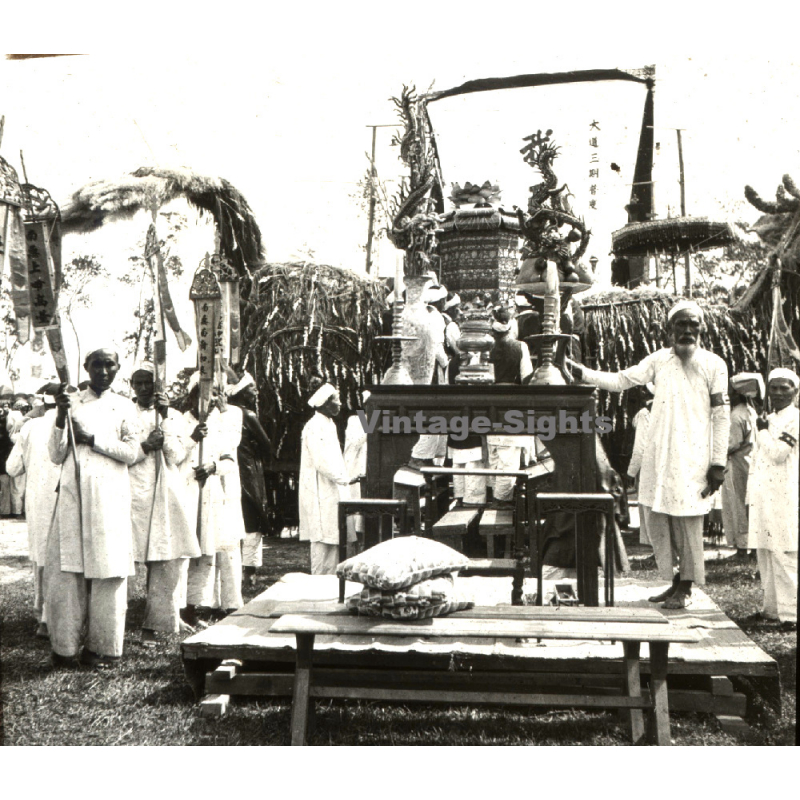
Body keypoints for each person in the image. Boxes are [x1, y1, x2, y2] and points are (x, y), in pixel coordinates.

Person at [568, 300, 730, 609]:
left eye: (693, 325)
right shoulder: (657, 361)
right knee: (661, 520)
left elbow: (721, 416)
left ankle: (686, 587)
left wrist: (718, 463)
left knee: (688, 521)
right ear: (669, 330)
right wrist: (582, 372)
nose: (687, 330)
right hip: (660, 454)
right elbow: (621, 380)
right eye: (680, 325)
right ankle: (673, 583)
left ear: (701, 328)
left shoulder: (714, 364)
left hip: (694, 456)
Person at [45, 349, 139, 668]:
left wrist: (91, 438)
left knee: (109, 571)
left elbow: (132, 452)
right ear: (85, 368)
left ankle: (104, 649)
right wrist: (61, 417)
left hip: (109, 493)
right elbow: (56, 455)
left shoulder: (126, 406)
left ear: (118, 369)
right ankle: (65, 648)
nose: (102, 370)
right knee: (65, 571)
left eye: (108, 364)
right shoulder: (72, 402)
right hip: (73, 490)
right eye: (96, 364)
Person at [129, 363, 199, 640]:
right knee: (129, 556)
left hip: (165, 490)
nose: (145, 389)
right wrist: (146, 444)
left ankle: (158, 621)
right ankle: (117, 619)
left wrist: (165, 418)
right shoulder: (124, 411)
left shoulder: (174, 416)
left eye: (150, 383)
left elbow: (177, 455)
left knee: (166, 554)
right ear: (132, 385)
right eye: (139, 383)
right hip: (133, 488)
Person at [181, 378, 244, 625]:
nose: (209, 401)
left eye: (215, 395)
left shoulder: (220, 422)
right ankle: (181, 606)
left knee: (209, 549)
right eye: (204, 395)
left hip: (211, 492)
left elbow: (229, 457)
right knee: (188, 551)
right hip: (186, 490)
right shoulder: (181, 420)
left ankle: (195, 607)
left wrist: (213, 466)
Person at [746, 368, 798, 629]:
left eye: (784, 387)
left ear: (795, 391)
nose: (778, 393)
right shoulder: (767, 418)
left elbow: (778, 453)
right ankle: (771, 609)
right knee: (765, 551)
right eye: (773, 387)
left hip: (785, 494)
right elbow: (757, 459)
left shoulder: (795, 419)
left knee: (784, 552)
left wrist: (763, 431)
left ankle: (791, 615)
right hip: (763, 494)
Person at [5, 393, 61, 636]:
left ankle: (43, 617)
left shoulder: (30, 428)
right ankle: (52, 617)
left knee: (41, 557)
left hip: (38, 500)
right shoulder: (69, 424)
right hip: (64, 497)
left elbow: (12, 468)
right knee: (61, 558)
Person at [298, 383, 357, 574]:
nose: (340, 404)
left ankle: (331, 580)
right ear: (324, 404)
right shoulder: (314, 426)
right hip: (320, 489)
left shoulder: (329, 424)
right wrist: (344, 478)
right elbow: (321, 462)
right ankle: (318, 580)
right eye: (336, 400)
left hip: (333, 488)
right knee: (322, 539)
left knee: (335, 538)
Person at [226, 371, 273, 587]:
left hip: (230, 471)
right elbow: (267, 446)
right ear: (243, 393)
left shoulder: (226, 412)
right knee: (253, 519)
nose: (257, 392)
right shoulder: (248, 415)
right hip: (247, 472)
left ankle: (240, 571)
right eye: (252, 388)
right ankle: (249, 572)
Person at [486, 308, 533, 505]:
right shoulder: (520, 347)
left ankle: (496, 501)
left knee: (495, 459)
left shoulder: (487, 348)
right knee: (508, 461)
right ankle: (502, 505)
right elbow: (527, 377)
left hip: (491, 408)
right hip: (514, 408)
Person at [722, 373, 762, 558]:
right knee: (748, 503)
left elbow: (732, 443)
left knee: (738, 503)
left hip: (737, 462)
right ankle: (752, 547)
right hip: (748, 460)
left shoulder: (735, 416)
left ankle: (742, 548)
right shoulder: (750, 411)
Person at [627, 383, 654, 546]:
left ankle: (652, 545)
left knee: (648, 503)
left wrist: (631, 472)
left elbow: (640, 447)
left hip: (648, 466)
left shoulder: (644, 415)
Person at [343, 390, 370, 550]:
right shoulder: (355, 419)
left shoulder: (380, 420)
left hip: (370, 472)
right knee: (355, 518)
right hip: (356, 471)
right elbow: (354, 444)